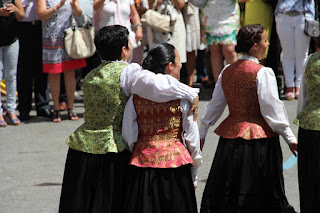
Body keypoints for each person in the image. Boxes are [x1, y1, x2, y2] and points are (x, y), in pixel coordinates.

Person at [58, 25, 199, 213]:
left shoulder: (91, 74)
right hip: (112, 150)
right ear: (124, 50)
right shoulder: (128, 72)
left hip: (82, 147)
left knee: (84, 203)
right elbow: (158, 83)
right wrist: (191, 92)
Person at [199, 24, 298, 213]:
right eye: (265, 40)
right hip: (259, 144)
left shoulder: (227, 71)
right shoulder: (263, 72)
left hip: (230, 143)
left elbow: (215, 106)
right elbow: (273, 111)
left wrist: (202, 132)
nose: (268, 44)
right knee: (260, 194)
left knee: (231, 191)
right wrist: (291, 139)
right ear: (255, 45)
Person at [122, 43, 202, 213]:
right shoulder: (184, 99)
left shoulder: (135, 97)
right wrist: (194, 173)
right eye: (179, 61)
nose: (181, 65)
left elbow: (129, 134)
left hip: (143, 164)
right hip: (176, 166)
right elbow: (192, 138)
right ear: (170, 66)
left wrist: (140, 148)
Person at [36, 0, 87, 122]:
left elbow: (79, 13)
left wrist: (74, 7)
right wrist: (58, 6)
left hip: (69, 37)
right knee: (54, 73)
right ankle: (56, 108)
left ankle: (71, 107)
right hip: (51, 38)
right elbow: (41, 14)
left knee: (70, 72)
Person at [294, 41, 320, 213]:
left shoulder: (311, 59)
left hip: (310, 125)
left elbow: (303, 95)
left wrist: (302, 116)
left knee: (310, 180)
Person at [16, 0, 52, 121]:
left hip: (40, 26)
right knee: (24, 71)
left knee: (41, 69)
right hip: (22, 27)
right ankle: (24, 108)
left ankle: (43, 105)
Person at [275, 0, 315, 100]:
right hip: (283, 14)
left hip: (303, 15)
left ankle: (299, 86)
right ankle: (289, 86)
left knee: (302, 54)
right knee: (287, 53)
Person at [201, 0, 239, 84]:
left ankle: (234, 85)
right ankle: (219, 87)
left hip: (228, 14)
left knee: (230, 50)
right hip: (211, 14)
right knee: (215, 50)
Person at [0, 0, 24, 127]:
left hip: (12, 39)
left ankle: (11, 110)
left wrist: (15, 9)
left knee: (11, 76)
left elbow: (21, 16)